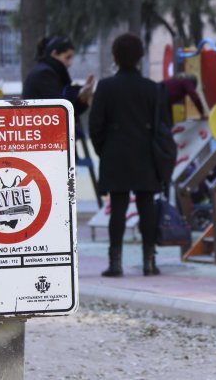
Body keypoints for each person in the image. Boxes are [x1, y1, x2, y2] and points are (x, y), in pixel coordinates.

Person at [89, 33, 164, 278]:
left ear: (115, 56)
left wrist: (105, 149)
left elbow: (95, 126)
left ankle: (115, 263)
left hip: (116, 154)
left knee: (118, 210)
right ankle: (149, 261)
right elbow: (161, 125)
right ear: (140, 56)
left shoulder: (106, 87)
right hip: (145, 154)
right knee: (147, 210)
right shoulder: (152, 88)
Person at [22, 35, 94, 120]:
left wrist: (82, 98)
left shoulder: (49, 73)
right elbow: (60, 112)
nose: (70, 63)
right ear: (54, 54)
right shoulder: (45, 74)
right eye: (67, 57)